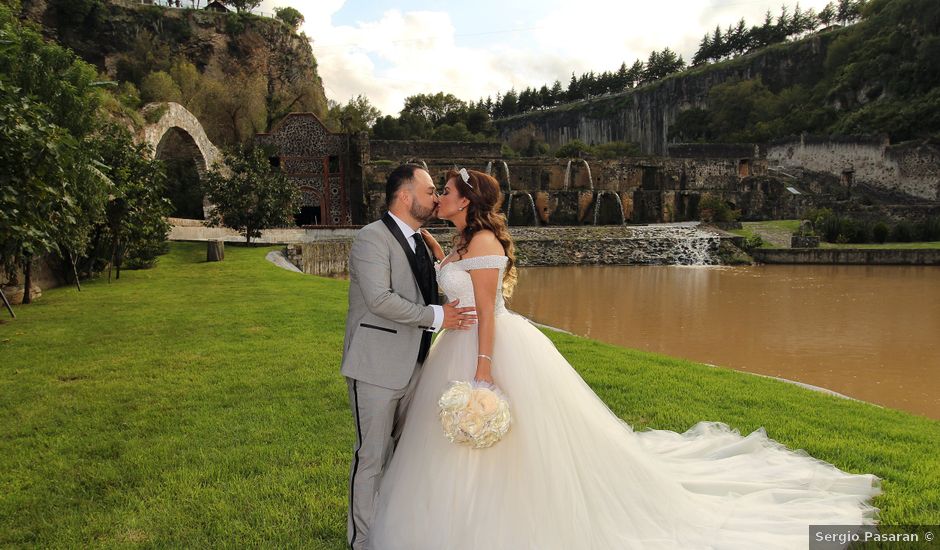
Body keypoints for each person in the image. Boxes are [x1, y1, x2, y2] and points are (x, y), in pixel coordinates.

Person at [370, 168, 881, 549]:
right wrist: (435, 247)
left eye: (447, 191)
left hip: (486, 348)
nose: (440, 196)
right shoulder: (460, 241)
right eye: (437, 190)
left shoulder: (481, 240)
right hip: (455, 345)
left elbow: (487, 307)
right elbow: (454, 274)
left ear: (467, 200)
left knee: (510, 440)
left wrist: (483, 368)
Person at [341, 164, 478, 550]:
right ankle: (361, 541)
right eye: (431, 189)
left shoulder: (420, 241)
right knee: (371, 456)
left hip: (418, 365)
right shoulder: (371, 238)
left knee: (402, 457)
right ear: (405, 196)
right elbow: (379, 300)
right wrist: (439, 316)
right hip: (376, 367)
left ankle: (391, 531)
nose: (436, 196)